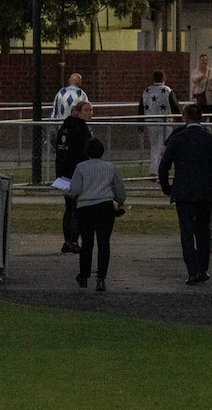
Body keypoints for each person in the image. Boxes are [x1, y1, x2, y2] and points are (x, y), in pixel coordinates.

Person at [158, 103, 212, 285]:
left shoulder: (178, 139)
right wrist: (206, 172)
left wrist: (167, 187)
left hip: (183, 190)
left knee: (187, 231)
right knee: (203, 229)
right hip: (205, 190)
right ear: (201, 117)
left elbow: (164, 166)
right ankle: (203, 268)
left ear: (185, 118)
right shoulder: (211, 139)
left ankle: (192, 270)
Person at [68, 138, 126, 292]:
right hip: (105, 207)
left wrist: (70, 194)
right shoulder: (110, 167)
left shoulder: (80, 167)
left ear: (87, 152)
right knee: (103, 243)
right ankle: (101, 278)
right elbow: (119, 190)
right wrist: (120, 201)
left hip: (85, 207)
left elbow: (75, 190)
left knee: (87, 242)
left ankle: (84, 275)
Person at [54, 100, 94, 254]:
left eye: (91, 110)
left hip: (62, 172)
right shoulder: (81, 128)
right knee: (76, 209)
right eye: (86, 110)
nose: (89, 113)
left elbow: (59, 150)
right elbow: (83, 152)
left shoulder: (64, 127)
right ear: (77, 112)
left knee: (68, 208)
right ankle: (73, 241)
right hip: (75, 173)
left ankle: (67, 241)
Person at [138, 70, 181, 176]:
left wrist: (140, 123)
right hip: (165, 122)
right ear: (164, 79)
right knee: (163, 146)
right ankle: (160, 170)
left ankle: (153, 170)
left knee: (154, 146)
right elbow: (175, 106)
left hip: (150, 122)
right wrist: (180, 120)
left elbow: (141, 108)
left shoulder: (146, 91)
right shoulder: (167, 91)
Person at [190, 53, 212, 118]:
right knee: (201, 118)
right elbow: (194, 80)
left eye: (206, 60)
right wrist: (200, 77)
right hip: (200, 99)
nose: (204, 62)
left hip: (211, 99)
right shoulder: (195, 71)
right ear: (199, 61)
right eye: (202, 60)